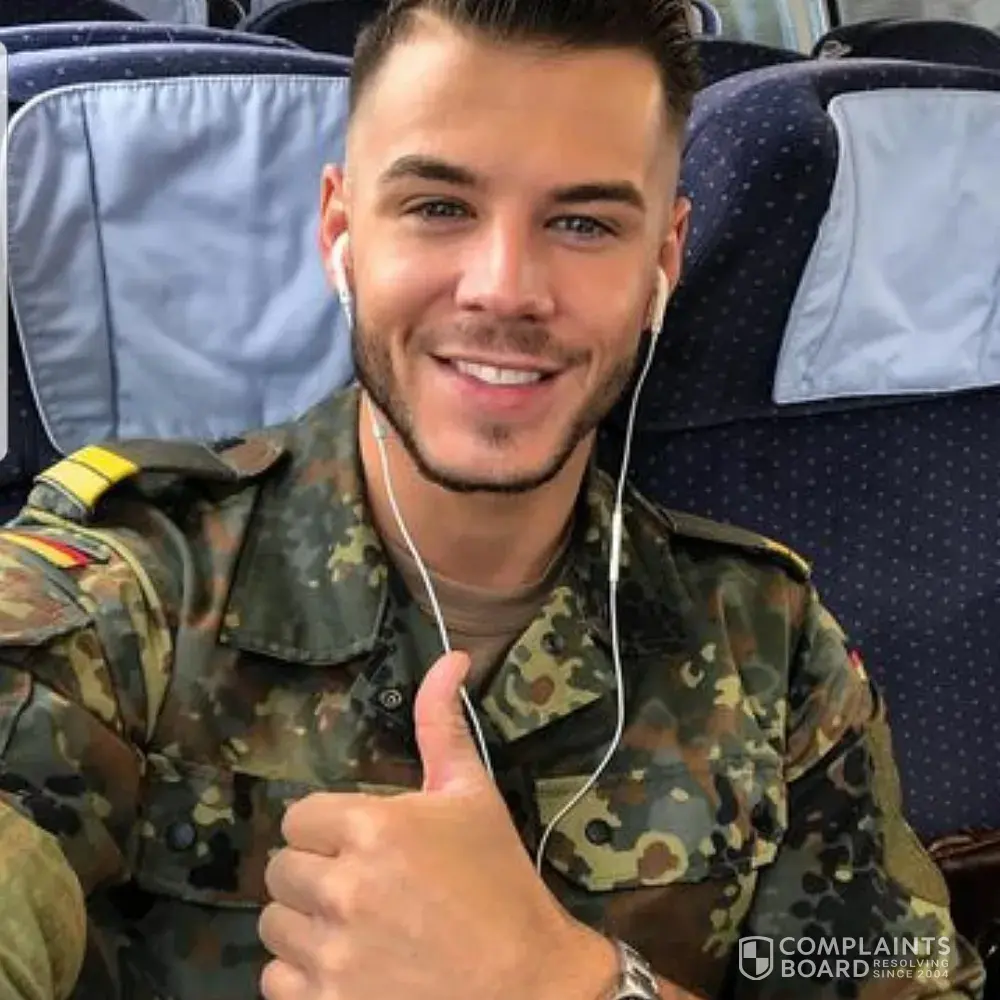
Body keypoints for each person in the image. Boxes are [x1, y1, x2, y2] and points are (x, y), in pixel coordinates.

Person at [0, 1, 985, 998]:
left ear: (663, 260)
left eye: (583, 223)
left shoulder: (770, 644)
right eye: (439, 207)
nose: (505, 288)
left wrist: (565, 982)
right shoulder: (119, 602)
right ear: (341, 230)